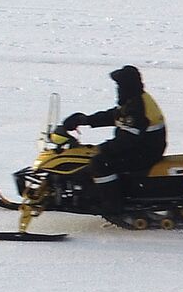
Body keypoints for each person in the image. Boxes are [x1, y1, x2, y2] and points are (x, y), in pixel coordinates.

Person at [60, 65, 167, 215]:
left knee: (100, 163)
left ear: (126, 86)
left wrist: (104, 148)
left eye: (119, 85)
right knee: (98, 158)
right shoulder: (135, 99)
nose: (117, 89)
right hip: (143, 147)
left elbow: (128, 139)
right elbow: (114, 116)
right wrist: (84, 120)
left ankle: (112, 204)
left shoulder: (137, 106)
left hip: (145, 152)